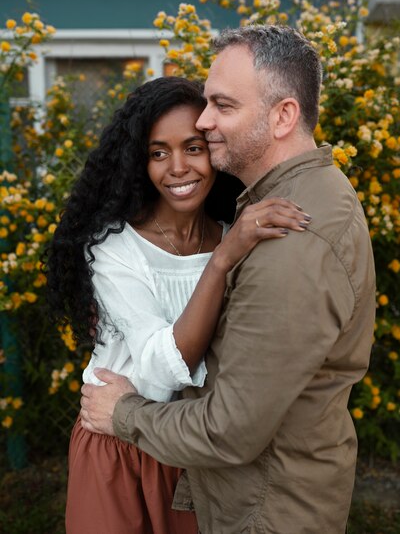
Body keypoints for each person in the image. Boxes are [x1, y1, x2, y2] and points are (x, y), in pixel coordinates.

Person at [80, 26, 376, 534]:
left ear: (283, 115)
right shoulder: (276, 210)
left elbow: (231, 429)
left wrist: (124, 414)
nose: (204, 119)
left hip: (266, 510)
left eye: (223, 105)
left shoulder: (293, 237)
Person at [46, 75, 310, 534]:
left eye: (194, 147)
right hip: (118, 445)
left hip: (198, 446)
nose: (178, 168)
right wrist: (221, 262)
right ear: (138, 162)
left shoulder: (236, 234)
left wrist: (227, 248)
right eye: (158, 153)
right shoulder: (115, 248)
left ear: (216, 149)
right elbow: (156, 372)